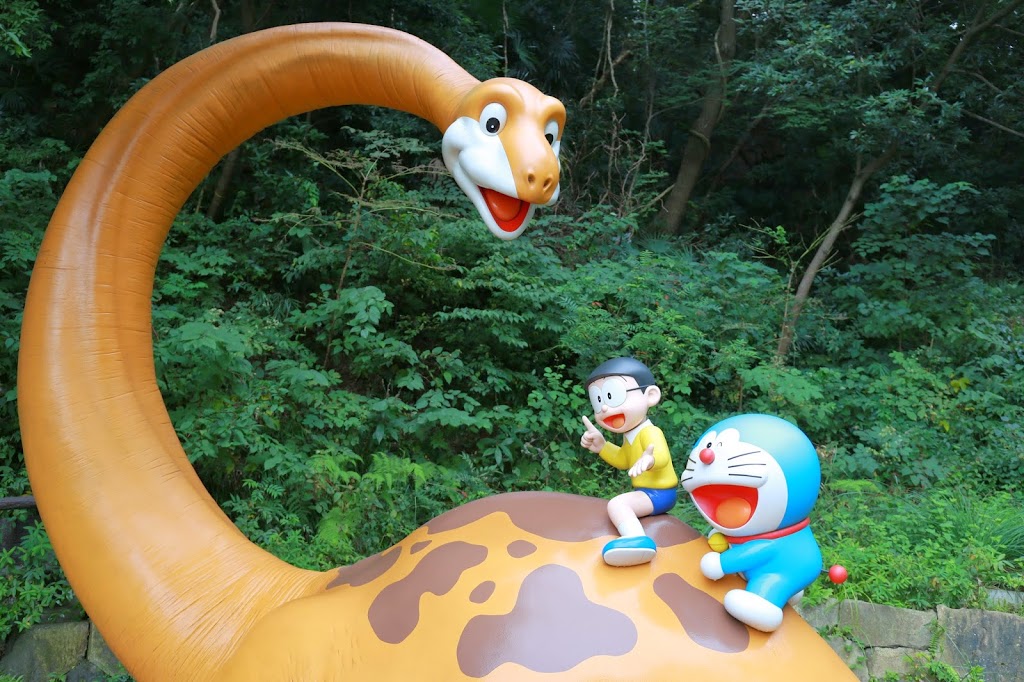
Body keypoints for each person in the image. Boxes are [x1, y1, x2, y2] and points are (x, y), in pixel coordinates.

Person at [580, 357, 678, 566]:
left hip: (660, 493)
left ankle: (637, 540)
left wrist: (650, 459)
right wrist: (602, 446)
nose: (604, 408)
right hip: (648, 492)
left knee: (618, 504)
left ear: (650, 395)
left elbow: (661, 456)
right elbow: (623, 459)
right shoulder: (631, 436)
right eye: (598, 401)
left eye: (612, 396)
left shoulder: (650, 432)